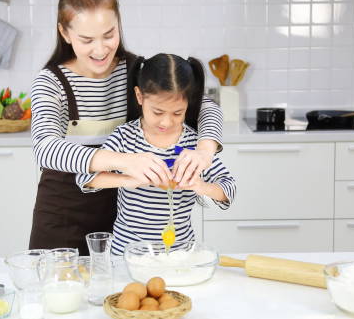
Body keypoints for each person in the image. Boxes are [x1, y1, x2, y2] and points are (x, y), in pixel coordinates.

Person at [29, 0, 224, 255]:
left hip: (130, 222)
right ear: (65, 33)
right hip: (63, 217)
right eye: (87, 40)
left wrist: (204, 151)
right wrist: (126, 162)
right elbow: (45, 149)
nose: (100, 50)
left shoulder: (136, 70)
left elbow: (205, 106)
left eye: (109, 34)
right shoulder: (51, 83)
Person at [75, 54, 236, 255]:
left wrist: (200, 186)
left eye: (177, 113)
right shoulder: (125, 138)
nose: (166, 123)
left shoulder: (193, 145)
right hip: (127, 253)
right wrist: (127, 179)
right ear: (140, 96)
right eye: (158, 112)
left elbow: (228, 188)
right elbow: (84, 178)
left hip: (181, 254)